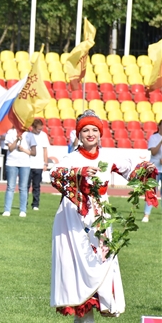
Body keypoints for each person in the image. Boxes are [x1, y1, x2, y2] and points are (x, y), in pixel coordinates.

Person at [49, 110, 157, 322]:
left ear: (101, 133)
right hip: (73, 219)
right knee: (78, 267)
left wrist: (147, 169)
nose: (90, 134)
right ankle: (83, 316)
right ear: (79, 135)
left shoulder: (109, 157)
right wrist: (78, 173)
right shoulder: (71, 158)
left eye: (95, 130)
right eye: (86, 130)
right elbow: (54, 174)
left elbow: (132, 170)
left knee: (99, 262)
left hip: (100, 218)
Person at [2, 127, 36, 217]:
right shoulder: (10, 132)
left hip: (25, 164)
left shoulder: (30, 135)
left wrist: (23, 150)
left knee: (23, 187)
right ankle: (7, 210)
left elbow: (34, 152)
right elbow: (10, 149)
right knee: (10, 187)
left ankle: (23, 210)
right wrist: (17, 139)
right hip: (11, 163)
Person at [28, 119, 50, 210]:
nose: (40, 131)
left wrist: (45, 163)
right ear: (33, 127)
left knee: (36, 186)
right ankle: (24, 203)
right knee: (26, 185)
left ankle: (35, 204)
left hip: (38, 164)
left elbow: (45, 149)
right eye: (38, 129)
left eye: (41, 129)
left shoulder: (44, 135)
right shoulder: (28, 135)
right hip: (28, 164)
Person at [145, 119, 162, 222]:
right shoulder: (154, 137)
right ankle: (146, 215)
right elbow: (154, 152)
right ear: (159, 126)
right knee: (151, 192)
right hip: (154, 169)